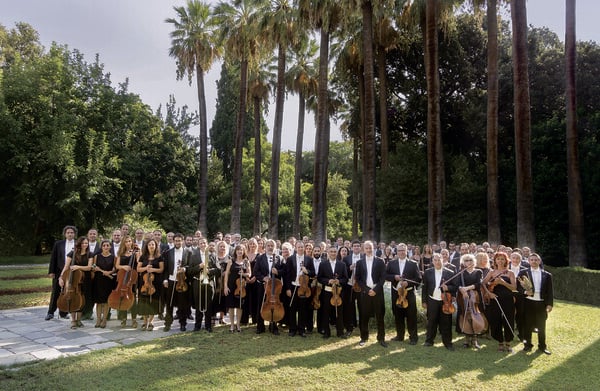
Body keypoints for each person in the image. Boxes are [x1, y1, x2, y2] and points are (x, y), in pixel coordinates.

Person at [385, 243, 422, 345]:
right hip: (396, 293)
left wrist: (408, 282)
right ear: (397, 251)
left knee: (411, 315)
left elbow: (418, 278)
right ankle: (400, 335)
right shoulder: (391, 263)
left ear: (407, 251)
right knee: (398, 314)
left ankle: (413, 337)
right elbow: (385, 275)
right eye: (399, 250)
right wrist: (394, 277)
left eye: (403, 250)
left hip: (409, 293)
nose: (401, 252)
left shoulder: (413, 263)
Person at [519, 253, 553, 355]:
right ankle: (527, 345)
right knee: (527, 325)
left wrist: (550, 304)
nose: (534, 261)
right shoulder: (523, 272)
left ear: (539, 261)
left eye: (536, 260)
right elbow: (518, 287)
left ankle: (542, 346)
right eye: (532, 260)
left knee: (542, 326)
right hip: (528, 302)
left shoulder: (547, 275)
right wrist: (525, 292)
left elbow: (550, 291)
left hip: (541, 303)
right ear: (529, 261)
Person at [482, 251, 516, 352]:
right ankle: (500, 342)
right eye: (498, 259)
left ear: (506, 260)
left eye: (502, 259)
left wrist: (503, 282)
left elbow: (514, 287)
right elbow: (483, 283)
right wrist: (489, 293)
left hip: (508, 299)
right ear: (495, 261)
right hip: (495, 299)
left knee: (508, 320)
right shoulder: (492, 272)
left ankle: (508, 343)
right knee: (495, 320)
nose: (500, 261)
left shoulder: (510, 273)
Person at [355, 240, 387, 347]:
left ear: (373, 249)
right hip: (365, 293)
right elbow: (358, 279)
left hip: (377, 292)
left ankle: (381, 338)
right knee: (364, 316)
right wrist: (367, 290)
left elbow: (383, 277)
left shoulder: (380, 261)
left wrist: (375, 290)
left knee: (380, 316)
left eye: (370, 248)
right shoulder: (359, 262)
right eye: (367, 248)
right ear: (364, 249)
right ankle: (364, 337)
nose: (369, 250)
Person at [422, 253, 457, 350]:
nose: (437, 262)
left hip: (445, 301)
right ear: (432, 261)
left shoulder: (450, 272)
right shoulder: (428, 272)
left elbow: (455, 286)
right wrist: (424, 301)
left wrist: (448, 287)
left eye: (439, 260)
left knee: (446, 322)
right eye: (435, 260)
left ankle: (448, 343)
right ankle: (429, 341)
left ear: (443, 260)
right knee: (431, 321)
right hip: (432, 300)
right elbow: (424, 287)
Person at [58, 236, 93, 329]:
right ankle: (73, 320)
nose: (84, 245)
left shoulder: (90, 254)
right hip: (73, 279)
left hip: (85, 279)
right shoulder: (72, 253)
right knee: (72, 297)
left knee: (82, 299)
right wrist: (61, 277)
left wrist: (78, 267)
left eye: (86, 243)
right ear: (79, 244)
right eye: (83, 243)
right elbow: (66, 266)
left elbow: (89, 267)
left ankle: (79, 320)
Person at [184, 237, 218, 332]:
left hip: (209, 283)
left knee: (209, 304)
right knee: (198, 304)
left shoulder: (212, 255)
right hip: (197, 282)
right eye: (201, 243)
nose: (203, 245)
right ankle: (197, 325)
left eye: (204, 243)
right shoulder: (193, 255)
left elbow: (217, 269)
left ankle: (208, 325)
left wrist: (209, 271)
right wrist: (199, 266)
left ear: (207, 244)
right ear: (198, 245)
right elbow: (189, 271)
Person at [284, 241, 315, 338]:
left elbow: (313, 273)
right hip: (293, 286)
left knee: (303, 308)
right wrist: (288, 288)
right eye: (299, 247)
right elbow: (287, 275)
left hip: (304, 287)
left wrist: (307, 271)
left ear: (304, 248)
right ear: (296, 248)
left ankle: (302, 329)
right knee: (292, 308)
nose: (301, 249)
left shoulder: (309, 259)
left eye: (302, 247)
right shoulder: (290, 259)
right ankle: (292, 329)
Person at [253, 239, 284, 335]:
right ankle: (260, 326)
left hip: (275, 287)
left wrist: (278, 272)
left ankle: (273, 326)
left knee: (274, 305)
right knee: (261, 305)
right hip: (263, 286)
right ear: (265, 247)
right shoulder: (260, 258)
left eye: (272, 246)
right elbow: (255, 272)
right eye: (268, 245)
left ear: (275, 247)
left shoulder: (279, 258)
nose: (270, 247)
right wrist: (263, 278)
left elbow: (284, 271)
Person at [46, 225, 77, 320]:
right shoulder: (58, 244)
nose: (70, 234)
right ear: (65, 234)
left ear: (75, 234)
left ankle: (63, 312)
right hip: (59, 271)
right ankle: (50, 312)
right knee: (55, 292)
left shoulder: (77, 244)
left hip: (72, 272)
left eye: (72, 232)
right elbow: (53, 258)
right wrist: (51, 271)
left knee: (66, 291)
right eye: (68, 232)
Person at [317, 246, 348, 339]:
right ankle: (326, 332)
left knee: (339, 312)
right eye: (331, 252)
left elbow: (345, 278)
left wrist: (339, 281)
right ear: (328, 253)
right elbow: (319, 278)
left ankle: (340, 332)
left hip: (338, 292)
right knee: (326, 312)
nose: (333, 253)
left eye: (335, 252)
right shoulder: (323, 264)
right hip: (327, 292)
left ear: (337, 253)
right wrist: (328, 281)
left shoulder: (342, 264)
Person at [162, 233, 191, 332]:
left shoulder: (188, 252)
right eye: (176, 240)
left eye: (179, 240)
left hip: (182, 281)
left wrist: (184, 269)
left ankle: (183, 324)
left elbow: (189, 266)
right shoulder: (168, 252)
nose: (178, 242)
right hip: (171, 280)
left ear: (182, 241)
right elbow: (165, 268)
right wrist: (165, 279)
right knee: (169, 304)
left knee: (183, 304)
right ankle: (167, 324)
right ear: (173, 241)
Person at [456, 253, 485, 349]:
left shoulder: (478, 271)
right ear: (463, 262)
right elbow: (457, 284)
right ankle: (466, 339)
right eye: (466, 260)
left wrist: (467, 288)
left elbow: (478, 283)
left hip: (474, 297)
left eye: (470, 260)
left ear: (474, 261)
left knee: (474, 316)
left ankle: (475, 339)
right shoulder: (461, 272)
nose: (468, 262)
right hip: (462, 297)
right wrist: (462, 290)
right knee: (464, 315)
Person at [136, 239, 164, 331]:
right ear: (147, 246)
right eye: (149, 245)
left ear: (156, 246)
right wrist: (145, 268)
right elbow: (138, 269)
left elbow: (161, 269)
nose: (151, 246)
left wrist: (153, 270)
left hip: (155, 283)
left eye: (153, 244)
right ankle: (144, 321)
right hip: (144, 282)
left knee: (153, 301)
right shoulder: (143, 257)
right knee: (144, 301)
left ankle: (151, 321)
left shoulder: (159, 257)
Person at [223, 244, 251, 332]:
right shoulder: (231, 261)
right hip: (231, 286)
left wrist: (244, 274)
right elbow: (226, 274)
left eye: (241, 250)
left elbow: (249, 274)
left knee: (239, 306)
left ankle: (238, 324)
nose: (240, 251)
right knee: (231, 306)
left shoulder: (246, 262)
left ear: (244, 252)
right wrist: (225, 286)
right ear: (235, 251)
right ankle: (232, 325)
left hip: (241, 287)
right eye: (238, 250)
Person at [114, 235, 139, 328]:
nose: (128, 243)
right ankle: (123, 319)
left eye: (130, 241)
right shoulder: (121, 253)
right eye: (126, 241)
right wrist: (123, 267)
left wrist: (137, 253)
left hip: (132, 279)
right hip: (123, 278)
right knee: (122, 297)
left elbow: (139, 262)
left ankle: (134, 319)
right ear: (123, 243)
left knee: (133, 299)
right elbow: (117, 266)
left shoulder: (135, 252)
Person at [92, 240, 115, 328]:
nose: (106, 247)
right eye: (104, 245)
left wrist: (109, 272)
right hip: (98, 280)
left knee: (106, 301)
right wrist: (96, 268)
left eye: (107, 245)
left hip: (108, 281)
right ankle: (98, 319)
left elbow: (114, 268)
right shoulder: (97, 256)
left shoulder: (113, 257)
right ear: (101, 247)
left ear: (110, 247)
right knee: (98, 301)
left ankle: (104, 319)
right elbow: (93, 266)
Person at [343, 240, 362, 336]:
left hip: (360, 286)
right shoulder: (346, 259)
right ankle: (349, 327)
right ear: (352, 247)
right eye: (354, 246)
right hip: (349, 286)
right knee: (349, 307)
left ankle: (362, 326)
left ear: (360, 247)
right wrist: (349, 269)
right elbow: (343, 272)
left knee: (362, 306)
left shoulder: (364, 257)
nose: (356, 247)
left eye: (358, 246)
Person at [213, 240, 231, 326]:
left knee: (224, 299)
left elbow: (231, 270)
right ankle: (212, 317)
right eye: (221, 246)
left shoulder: (229, 258)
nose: (222, 248)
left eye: (224, 246)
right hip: (215, 280)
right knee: (214, 299)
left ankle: (221, 318)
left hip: (225, 281)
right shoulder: (214, 257)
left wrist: (227, 272)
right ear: (217, 247)